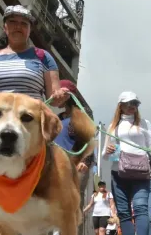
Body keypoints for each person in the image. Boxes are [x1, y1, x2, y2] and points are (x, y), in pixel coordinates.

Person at [0, 5, 69, 235]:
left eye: (24, 23)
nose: (18, 26)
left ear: (29, 30)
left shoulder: (42, 57)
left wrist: (59, 97)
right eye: (13, 22)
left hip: (27, 127)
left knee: (37, 187)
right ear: (5, 27)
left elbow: (54, 96)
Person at [102, 91, 151, 235]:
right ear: (120, 106)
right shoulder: (113, 126)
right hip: (118, 173)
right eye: (129, 103)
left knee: (141, 209)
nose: (132, 106)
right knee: (123, 212)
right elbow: (104, 155)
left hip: (141, 173)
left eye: (135, 103)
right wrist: (108, 151)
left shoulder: (144, 123)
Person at [53, 79, 95, 235]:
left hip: (78, 164)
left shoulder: (83, 114)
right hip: (57, 163)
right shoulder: (58, 117)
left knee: (74, 201)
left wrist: (85, 161)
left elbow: (89, 139)